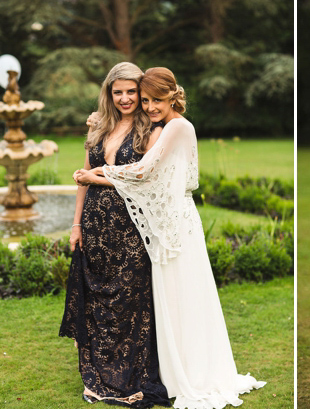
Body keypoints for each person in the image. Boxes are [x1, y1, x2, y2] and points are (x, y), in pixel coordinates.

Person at [74, 67, 265, 409]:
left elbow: (145, 171)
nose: (148, 106)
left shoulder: (176, 126)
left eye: (154, 99)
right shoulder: (165, 126)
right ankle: (176, 371)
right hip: (167, 221)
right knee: (171, 299)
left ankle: (192, 373)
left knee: (183, 295)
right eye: (145, 99)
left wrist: (99, 174)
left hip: (176, 224)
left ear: (173, 96)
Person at [60, 62, 169, 407]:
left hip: (130, 227)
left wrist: (96, 178)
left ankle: (130, 374)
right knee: (96, 300)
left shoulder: (151, 130)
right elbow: (83, 179)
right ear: (109, 93)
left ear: (141, 92)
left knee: (127, 299)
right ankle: (98, 371)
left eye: (131, 91)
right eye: (117, 91)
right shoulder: (97, 126)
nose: (124, 98)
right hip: (94, 224)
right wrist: (76, 224)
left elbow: (146, 181)